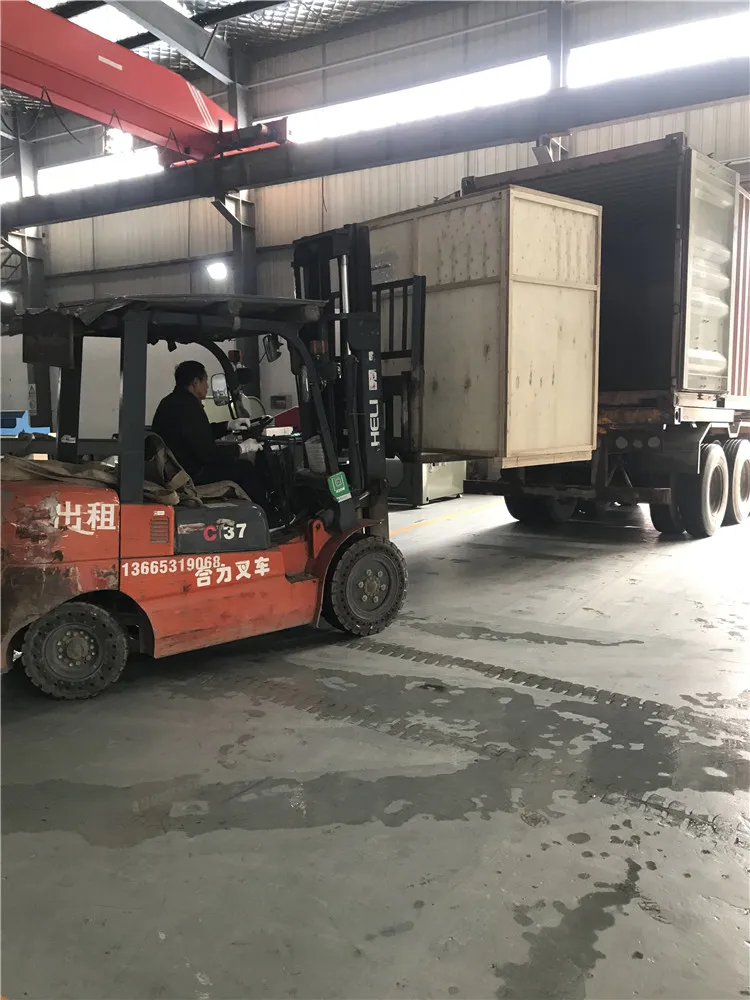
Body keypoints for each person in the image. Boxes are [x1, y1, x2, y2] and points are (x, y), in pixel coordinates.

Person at [152, 360, 267, 507]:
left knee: (238, 464)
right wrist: (242, 448)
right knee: (245, 468)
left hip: (179, 469)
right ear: (195, 383)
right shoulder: (188, 407)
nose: (207, 386)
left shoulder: (171, 402)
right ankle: (266, 513)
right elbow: (209, 455)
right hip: (191, 474)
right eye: (205, 381)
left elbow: (199, 434)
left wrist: (228, 426)